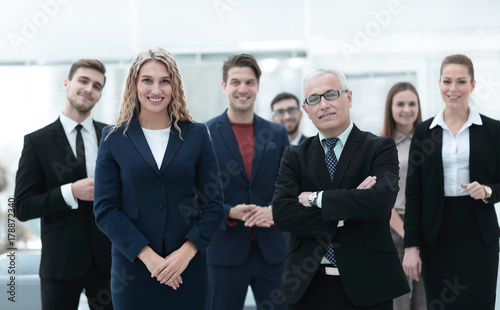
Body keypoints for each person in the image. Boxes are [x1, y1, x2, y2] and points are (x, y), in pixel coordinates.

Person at [93, 47, 225, 309]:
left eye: (165, 81)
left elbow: (214, 204)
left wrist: (185, 254)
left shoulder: (198, 134)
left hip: (187, 266)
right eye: (147, 80)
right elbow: (105, 209)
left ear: (174, 86)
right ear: (134, 84)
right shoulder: (113, 138)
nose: (156, 89)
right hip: (133, 268)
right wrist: (148, 257)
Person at [273, 68, 410, 309]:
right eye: (314, 99)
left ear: (348, 97)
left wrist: (316, 199)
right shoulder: (294, 156)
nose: (323, 104)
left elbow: (380, 201)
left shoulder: (379, 148)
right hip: (308, 286)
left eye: (331, 94)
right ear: (306, 110)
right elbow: (284, 214)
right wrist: (354, 204)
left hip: (369, 284)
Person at [403, 54, 500, 309]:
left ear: (473, 84)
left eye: (461, 81)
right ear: (439, 84)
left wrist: (488, 190)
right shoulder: (424, 131)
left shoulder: (492, 130)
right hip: (437, 235)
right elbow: (414, 193)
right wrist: (411, 246)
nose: (453, 89)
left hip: (479, 234)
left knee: (479, 302)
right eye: (447, 81)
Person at [14, 59, 113, 310]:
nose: (89, 88)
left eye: (97, 86)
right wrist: (70, 192)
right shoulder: (36, 142)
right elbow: (23, 207)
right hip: (60, 264)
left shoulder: (113, 137)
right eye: (83, 80)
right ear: (67, 83)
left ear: (100, 94)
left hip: (108, 261)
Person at [206, 53, 289, 310]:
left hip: (272, 252)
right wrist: (229, 211)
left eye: (249, 82)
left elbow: (289, 186)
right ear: (224, 86)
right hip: (224, 251)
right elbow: (194, 193)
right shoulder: (204, 133)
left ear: (258, 86)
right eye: (235, 82)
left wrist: (273, 210)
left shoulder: (276, 133)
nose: (243, 89)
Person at [380, 82, 426, 310]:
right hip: (392, 227)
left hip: (424, 227)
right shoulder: (380, 146)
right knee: (397, 303)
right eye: (400, 104)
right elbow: (380, 198)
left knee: (424, 301)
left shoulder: (430, 142)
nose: (406, 109)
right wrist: (408, 236)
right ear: (390, 108)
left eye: (412, 103)